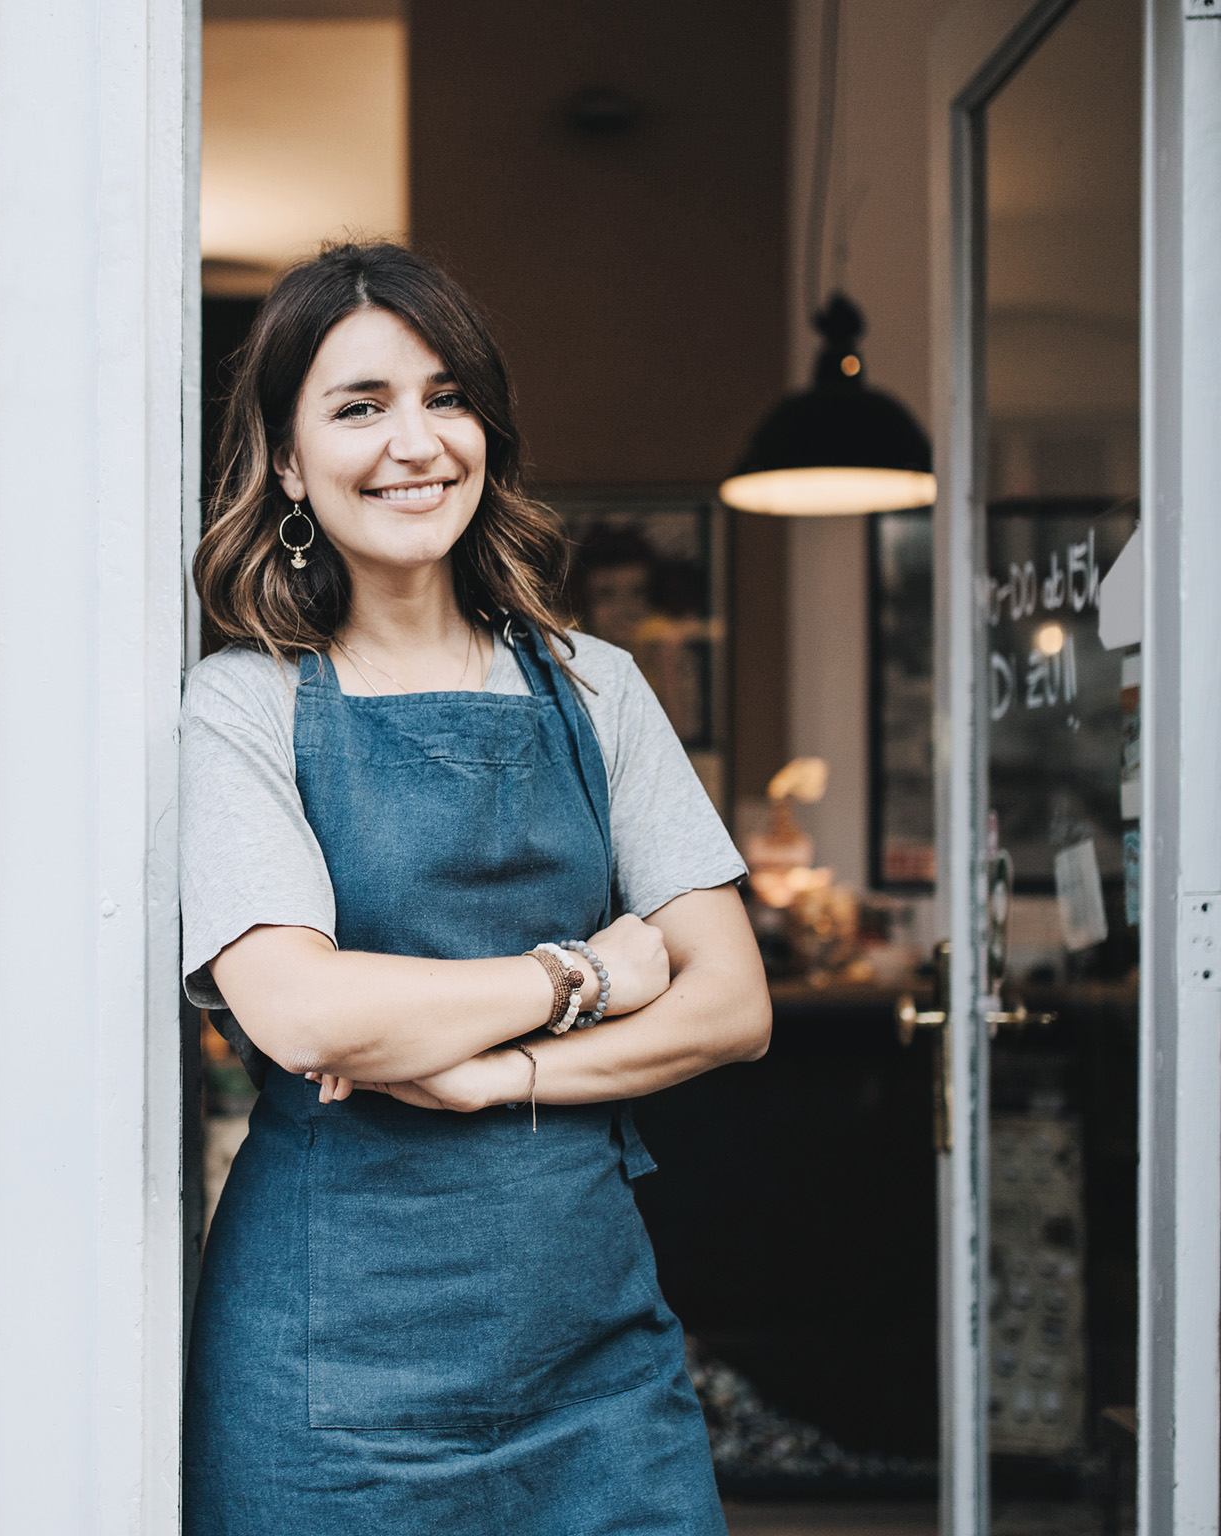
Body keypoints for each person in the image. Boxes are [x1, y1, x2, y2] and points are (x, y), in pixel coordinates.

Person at [180, 241, 771, 1534]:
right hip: (330, 1369)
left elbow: (731, 1002)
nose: (417, 441)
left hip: (593, 1356)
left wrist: (504, 1074)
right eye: (359, 405)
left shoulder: (596, 683)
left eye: (447, 398)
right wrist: (589, 973)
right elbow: (303, 1013)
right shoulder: (242, 702)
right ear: (285, 458)